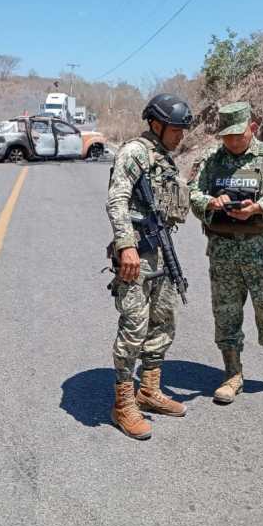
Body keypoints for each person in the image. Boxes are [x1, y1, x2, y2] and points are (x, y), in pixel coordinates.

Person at [188, 101, 263, 405]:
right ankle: (232, 374)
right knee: (226, 314)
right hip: (223, 253)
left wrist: (260, 208)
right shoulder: (212, 161)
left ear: (252, 128)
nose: (233, 142)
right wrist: (210, 203)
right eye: (227, 136)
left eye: (238, 135)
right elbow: (192, 193)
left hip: (261, 254)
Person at [105, 94, 193, 439]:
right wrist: (126, 244)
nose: (180, 135)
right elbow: (117, 199)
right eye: (176, 129)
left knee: (164, 320)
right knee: (134, 327)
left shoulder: (164, 158)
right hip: (137, 255)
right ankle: (123, 404)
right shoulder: (134, 152)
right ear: (156, 124)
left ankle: (150, 390)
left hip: (162, 253)